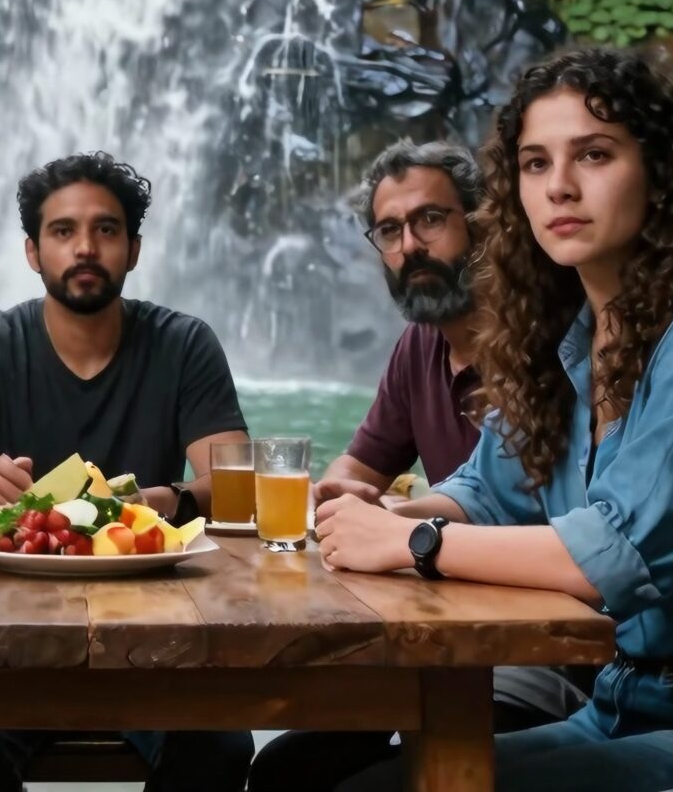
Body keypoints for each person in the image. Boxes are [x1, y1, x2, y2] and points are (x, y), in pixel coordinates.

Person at [315, 46, 673, 792]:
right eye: (535, 164)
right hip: (624, 699)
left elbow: (616, 557)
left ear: (658, 171)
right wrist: (383, 512)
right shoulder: (569, 335)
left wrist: (411, 539)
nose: (560, 186)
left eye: (593, 154)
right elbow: (487, 490)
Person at [0, 152, 254, 791]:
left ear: (135, 249)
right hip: (6, 630)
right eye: (63, 231)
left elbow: (240, 484)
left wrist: (167, 499)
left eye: (107, 230)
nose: (85, 247)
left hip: (160, 631)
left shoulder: (184, 344)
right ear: (33, 252)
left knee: (220, 748)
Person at [251, 139, 590, 792]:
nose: (410, 245)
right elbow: (358, 472)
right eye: (390, 229)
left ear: (482, 223)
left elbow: (587, 544)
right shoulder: (420, 346)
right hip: (439, 635)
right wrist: (341, 503)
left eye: (430, 219)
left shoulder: (550, 344)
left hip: (546, 652)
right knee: (282, 769)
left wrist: (396, 526)